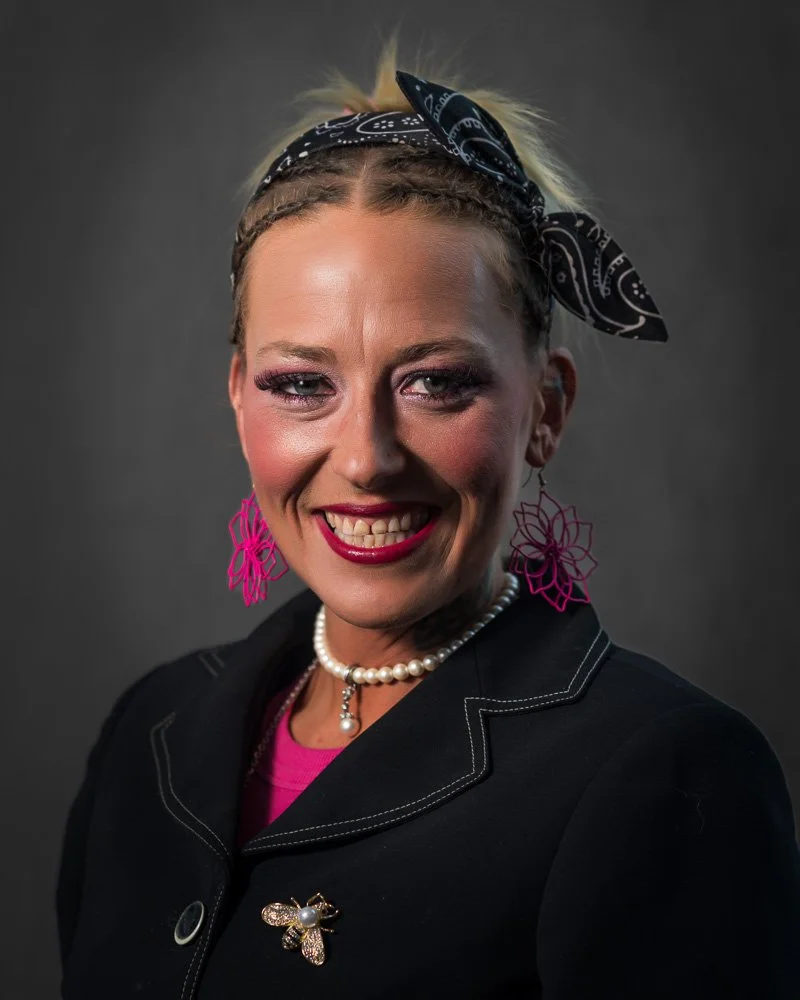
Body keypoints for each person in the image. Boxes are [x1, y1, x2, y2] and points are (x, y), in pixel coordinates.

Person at [56, 40, 800, 999]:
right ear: (239, 398)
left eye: (436, 383)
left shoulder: (671, 774)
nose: (367, 458)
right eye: (301, 385)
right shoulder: (150, 730)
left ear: (546, 408)